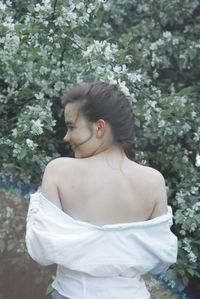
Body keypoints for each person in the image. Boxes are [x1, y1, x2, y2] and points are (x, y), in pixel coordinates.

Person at [25, 81, 178, 299]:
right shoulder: (154, 181)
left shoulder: (59, 171)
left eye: (71, 127)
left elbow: (41, 252)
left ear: (99, 128)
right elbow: (159, 264)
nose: (66, 137)